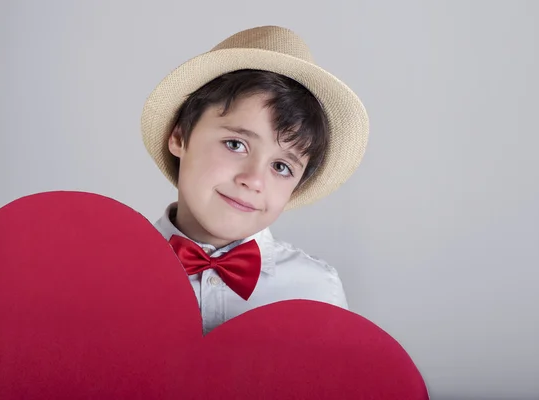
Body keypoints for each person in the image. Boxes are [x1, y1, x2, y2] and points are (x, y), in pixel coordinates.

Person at [141, 25, 369, 334]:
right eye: (236, 144)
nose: (253, 180)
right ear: (180, 136)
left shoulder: (316, 290)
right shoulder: (112, 273)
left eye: (281, 167)